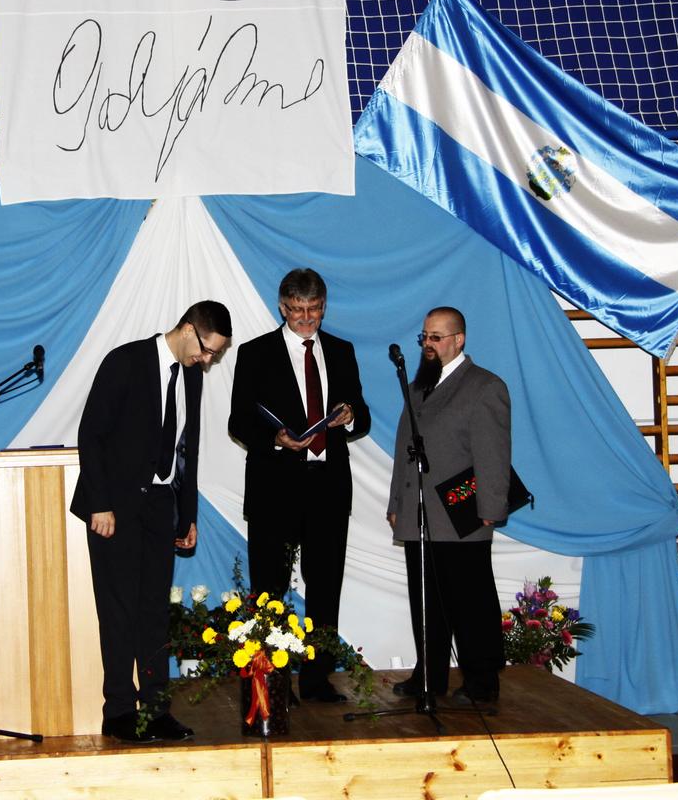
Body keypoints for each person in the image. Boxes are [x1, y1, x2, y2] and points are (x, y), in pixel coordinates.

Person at [72, 300, 232, 742]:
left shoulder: (192, 377)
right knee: (118, 611)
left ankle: (157, 709)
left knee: (154, 612)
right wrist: (100, 504)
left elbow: (187, 448)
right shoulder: (126, 361)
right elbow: (91, 435)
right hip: (115, 507)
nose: (207, 360)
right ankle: (119, 711)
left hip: (161, 504)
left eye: (215, 354)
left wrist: (188, 515)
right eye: (206, 350)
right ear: (187, 329)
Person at [228, 268, 369, 702]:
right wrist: (276, 438)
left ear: (324, 306)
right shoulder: (255, 353)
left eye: (314, 309)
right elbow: (238, 421)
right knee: (269, 589)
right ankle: (270, 681)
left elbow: (363, 416)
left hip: (328, 487)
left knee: (326, 588)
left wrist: (350, 416)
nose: (306, 318)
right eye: (296, 310)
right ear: (281, 307)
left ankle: (317, 679)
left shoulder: (342, 351)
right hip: (275, 488)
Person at [388, 306, 511, 708]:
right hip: (420, 514)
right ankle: (430, 675)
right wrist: (397, 501)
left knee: (471, 602)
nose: (428, 344)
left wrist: (491, 507)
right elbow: (404, 449)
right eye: (424, 336)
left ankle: (482, 681)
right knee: (426, 602)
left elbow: (493, 454)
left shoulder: (484, 386)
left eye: (436, 337)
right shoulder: (418, 387)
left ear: (459, 340)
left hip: (463, 514)